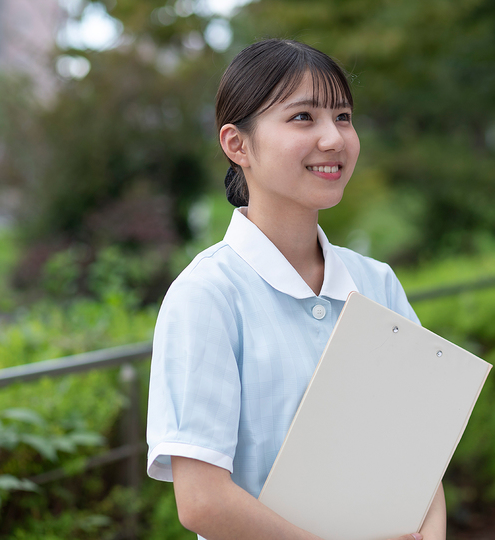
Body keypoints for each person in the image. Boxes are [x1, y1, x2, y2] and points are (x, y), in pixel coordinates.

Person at [146, 38, 447, 540]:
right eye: (303, 117)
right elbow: (201, 502)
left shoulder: (377, 283)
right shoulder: (207, 296)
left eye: (344, 117)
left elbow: (418, 459)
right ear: (237, 144)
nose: (334, 139)